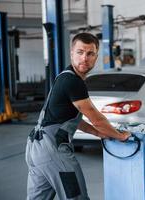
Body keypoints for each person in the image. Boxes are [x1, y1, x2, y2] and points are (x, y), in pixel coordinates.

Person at [25, 32, 131, 200]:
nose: (85, 58)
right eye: (80, 52)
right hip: (53, 150)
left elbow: (71, 117)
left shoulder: (64, 76)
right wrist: (120, 136)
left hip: (35, 149)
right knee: (77, 197)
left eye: (90, 54)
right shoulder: (73, 82)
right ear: (71, 53)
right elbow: (97, 118)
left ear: (96, 56)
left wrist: (98, 133)